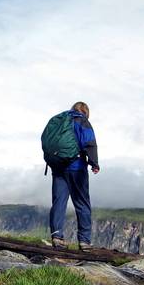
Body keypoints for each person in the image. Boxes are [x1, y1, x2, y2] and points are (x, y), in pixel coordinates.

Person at [50, 102, 99, 251]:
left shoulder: (59, 120)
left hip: (58, 168)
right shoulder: (82, 121)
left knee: (59, 202)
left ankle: (57, 237)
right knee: (82, 203)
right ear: (85, 111)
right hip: (76, 168)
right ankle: (84, 241)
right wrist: (94, 163)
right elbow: (89, 142)